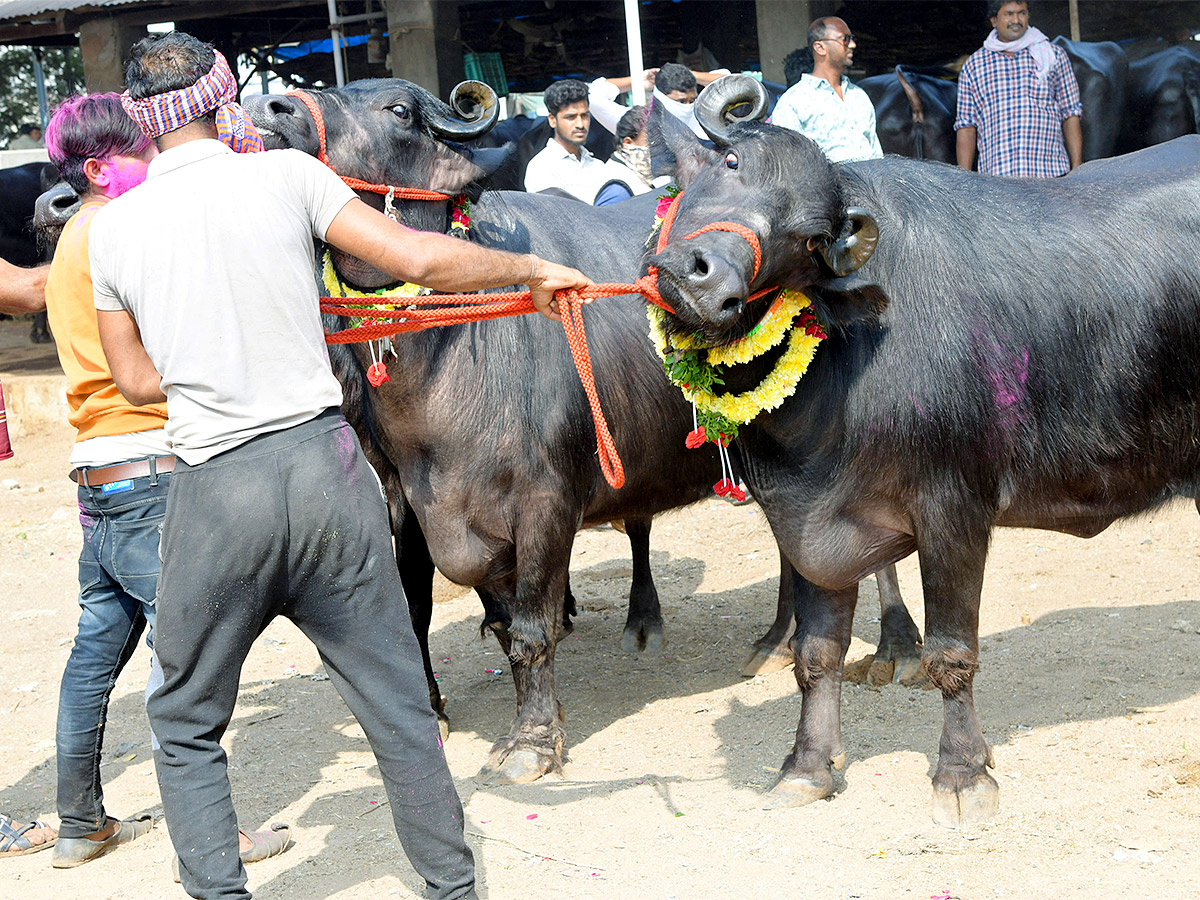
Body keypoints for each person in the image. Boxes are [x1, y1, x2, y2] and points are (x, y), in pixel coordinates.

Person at [90, 31, 590, 900]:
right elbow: (422, 261)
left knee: (183, 718)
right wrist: (532, 270)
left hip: (216, 491)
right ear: (222, 97)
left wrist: (214, 357)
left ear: (140, 121)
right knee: (397, 702)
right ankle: (451, 887)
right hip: (325, 474)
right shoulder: (288, 179)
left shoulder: (112, 231)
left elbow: (133, 379)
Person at [41, 93, 293, 872]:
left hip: (100, 476)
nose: (156, 164)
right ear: (99, 167)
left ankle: (82, 823)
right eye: (142, 154)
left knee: (94, 655)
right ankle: (213, 841)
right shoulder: (114, 238)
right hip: (150, 471)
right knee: (186, 663)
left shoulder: (70, 242)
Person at [955, 0, 1083, 177]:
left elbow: (1070, 112)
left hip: (1049, 176)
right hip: (998, 179)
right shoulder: (974, 66)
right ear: (994, 20)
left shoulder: (1052, 56)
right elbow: (966, 126)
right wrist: (964, 179)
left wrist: (1077, 167)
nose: (1016, 20)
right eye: (1009, 14)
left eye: (1021, 13)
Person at [769, 17, 883, 163]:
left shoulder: (859, 96)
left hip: (869, 184)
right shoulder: (794, 101)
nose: (853, 45)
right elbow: (789, 163)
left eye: (852, 38)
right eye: (845, 39)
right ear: (820, 47)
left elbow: (877, 155)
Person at [588, 63, 728, 140]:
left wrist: (690, 74)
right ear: (660, 98)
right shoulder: (637, 124)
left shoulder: (702, 120)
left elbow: (729, 81)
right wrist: (639, 81)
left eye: (691, 100)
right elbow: (593, 95)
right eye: (680, 101)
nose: (687, 107)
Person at [593, 106, 672, 206]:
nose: (659, 148)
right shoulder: (617, 188)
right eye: (652, 141)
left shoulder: (642, 174)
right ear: (628, 143)